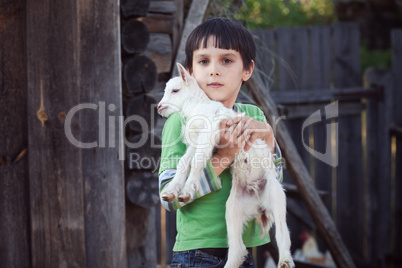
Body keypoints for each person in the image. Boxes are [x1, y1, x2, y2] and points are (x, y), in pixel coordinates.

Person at [158, 17, 283, 268]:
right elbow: (167, 199)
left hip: (242, 254)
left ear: (247, 70)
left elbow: (272, 180)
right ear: (190, 73)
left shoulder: (253, 116)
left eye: (226, 60)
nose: (214, 70)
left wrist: (270, 140)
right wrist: (226, 153)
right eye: (204, 61)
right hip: (197, 256)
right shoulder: (180, 122)